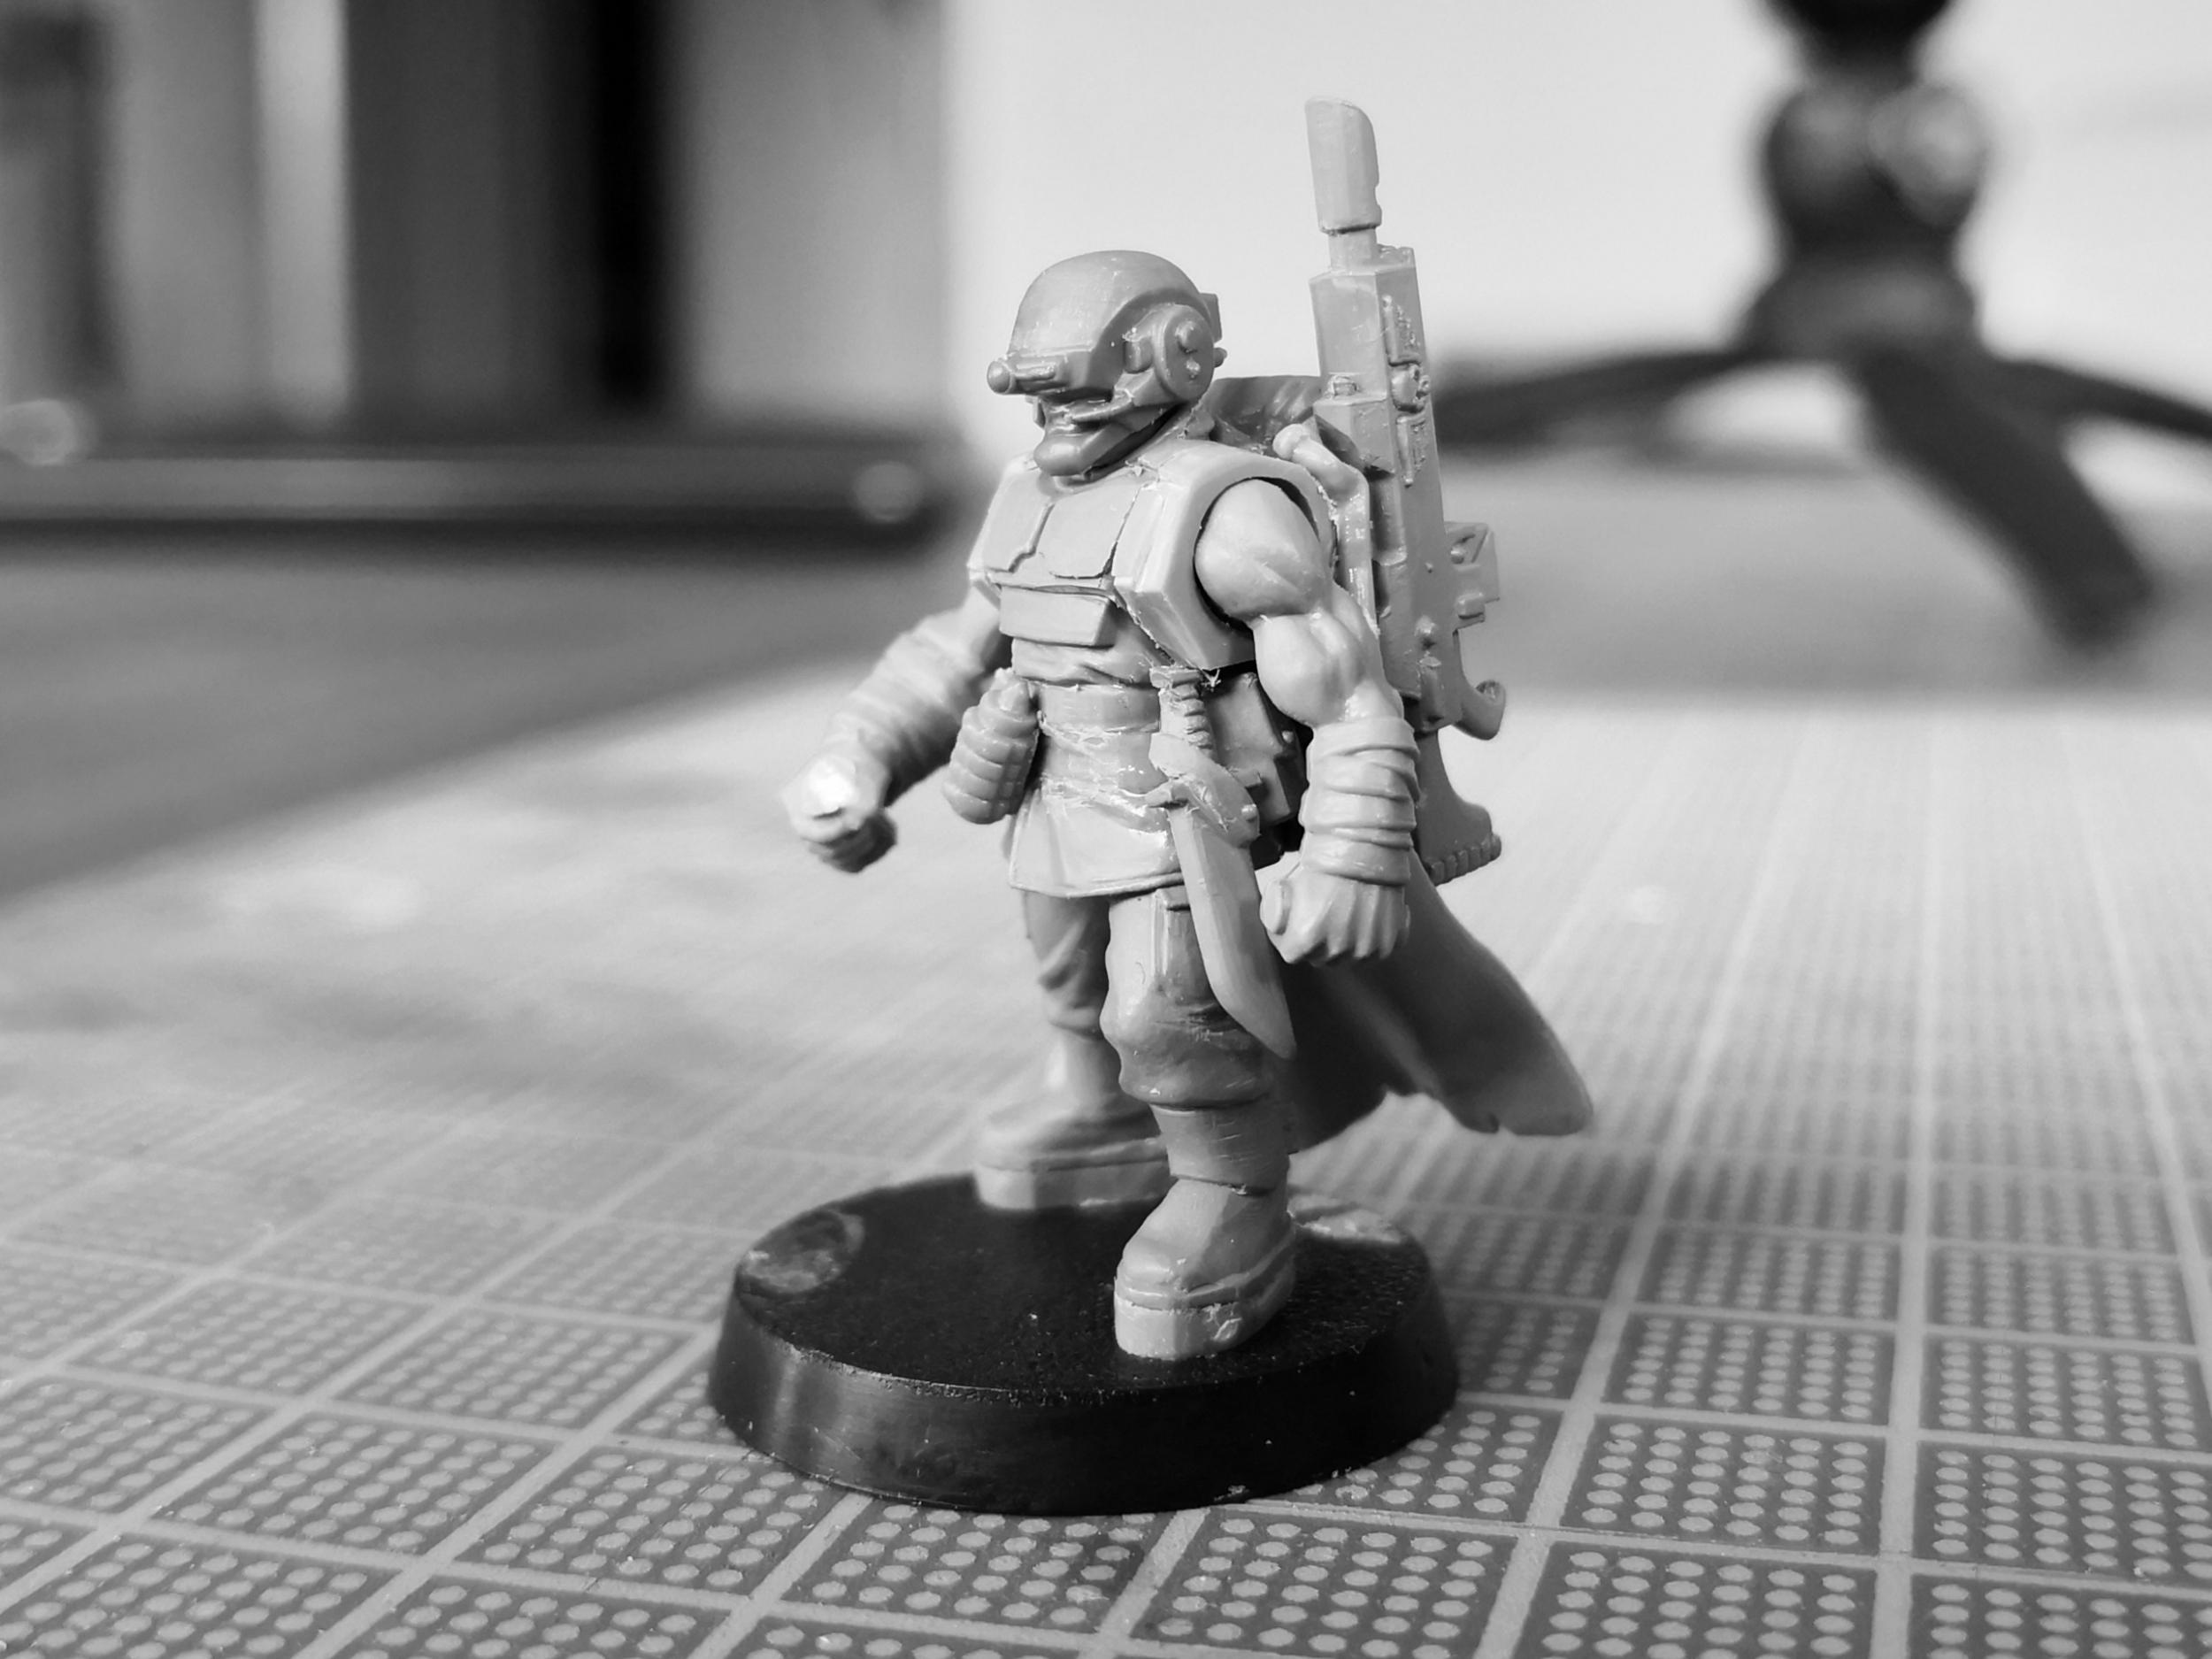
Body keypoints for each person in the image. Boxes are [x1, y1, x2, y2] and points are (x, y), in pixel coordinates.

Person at [782, 250, 1424, 1359]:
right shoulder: (1028, 494)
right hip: (1048, 794)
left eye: (1075, 391)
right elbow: (955, 652)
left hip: (1174, 812)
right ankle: (1100, 1110)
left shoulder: (1230, 515)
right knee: (1069, 985)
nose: (1056, 417)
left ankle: (1231, 1192)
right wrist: (858, 759)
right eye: (1039, 393)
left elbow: (1343, 685)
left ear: (1164, 360)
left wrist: (1354, 849)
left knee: (1165, 1011)